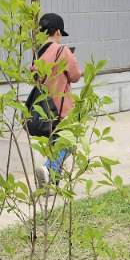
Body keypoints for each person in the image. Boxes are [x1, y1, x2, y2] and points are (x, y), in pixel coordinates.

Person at [30, 12, 82, 185]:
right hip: (61, 107)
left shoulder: (38, 54)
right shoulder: (62, 50)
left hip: (43, 108)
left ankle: (50, 184)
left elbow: (34, 76)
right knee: (68, 143)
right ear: (58, 32)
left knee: (55, 144)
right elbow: (75, 75)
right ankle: (48, 168)